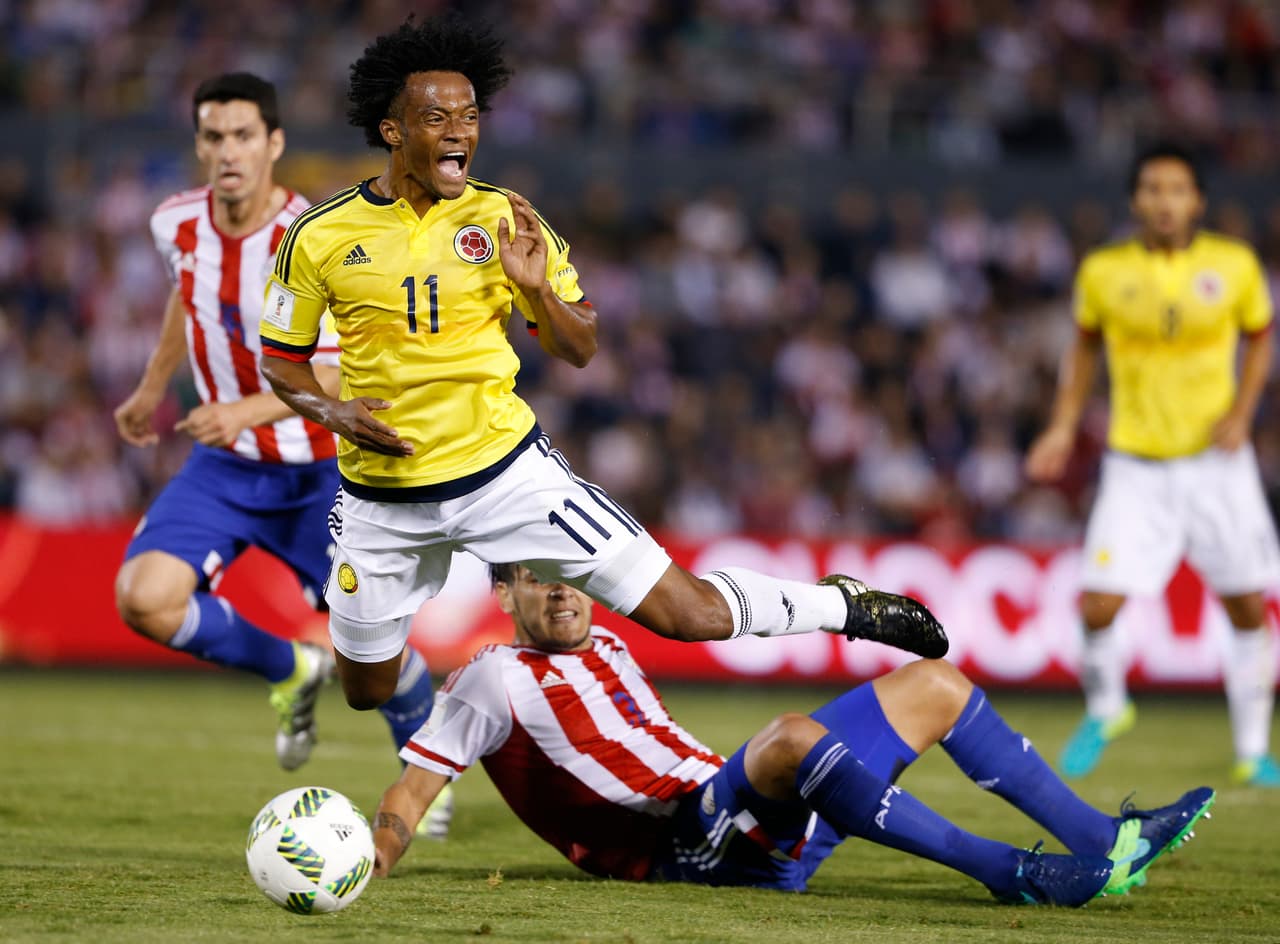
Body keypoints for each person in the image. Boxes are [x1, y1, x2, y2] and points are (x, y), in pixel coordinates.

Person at [257, 14, 947, 717]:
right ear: (393, 130)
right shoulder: (319, 234)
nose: (460, 132)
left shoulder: (507, 217)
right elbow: (281, 362)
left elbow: (581, 347)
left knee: (688, 615)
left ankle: (840, 605)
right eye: (437, 117)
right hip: (381, 499)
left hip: (505, 476)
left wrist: (536, 292)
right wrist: (332, 411)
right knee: (365, 692)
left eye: (469, 115)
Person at [370, 563, 1214, 906]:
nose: (559, 592)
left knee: (936, 685)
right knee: (786, 737)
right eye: (532, 580)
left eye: (569, 576)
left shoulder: (612, 642)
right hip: (682, 845)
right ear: (505, 599)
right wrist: (370, 856)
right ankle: (1017, 875)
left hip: (734, 809)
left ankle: (1108, 840)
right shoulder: (490, 676)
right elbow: (416, 785)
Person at [113, 73, 436, 774]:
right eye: (214, 136)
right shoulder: (176, 222)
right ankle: (290, 668)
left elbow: (337, 373)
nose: (228, 151)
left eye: (244, 136)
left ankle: (423, 779)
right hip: (227, 468)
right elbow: (185, 296)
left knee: (375, 641)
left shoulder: (314, 237)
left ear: (274, 143)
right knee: (143, 599)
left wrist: (238, 409)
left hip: (321, 466)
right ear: (199, 145)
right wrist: (149, 387)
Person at [1025, 142, 1280, 787]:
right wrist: (1061, 425)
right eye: (1153, 189)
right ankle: (1108, 709)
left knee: (1247, 606)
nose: (1165, 201)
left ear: (1197, 201)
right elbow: (1082, 352)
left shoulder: (1234, 264)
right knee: (1097, 606)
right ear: (1136, 200)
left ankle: (1253, 751)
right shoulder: (1105, 272)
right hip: (1135, 465)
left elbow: (1259, 335)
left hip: (1218, 465)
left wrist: (1245, 411)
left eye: (1177, 189)